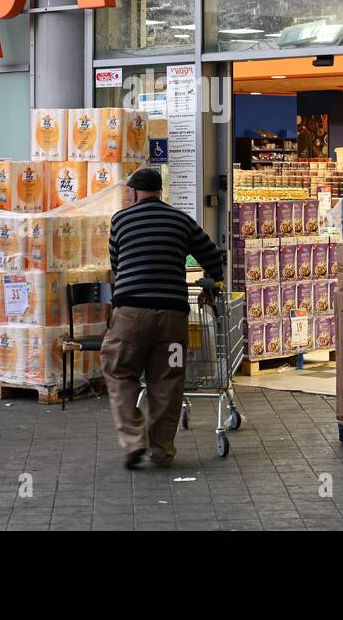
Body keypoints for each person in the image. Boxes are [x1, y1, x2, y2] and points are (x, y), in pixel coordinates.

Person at [103, 167, 224, 469]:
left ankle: (133, 442)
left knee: (120, 372)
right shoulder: (181, 220)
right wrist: (213, 279)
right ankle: (162, 451)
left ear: (132, 193)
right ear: (160, 192)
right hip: (172, 318)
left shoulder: (121, 220)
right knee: (168, 381)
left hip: (131, 316)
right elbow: (212, 254)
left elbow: (116, 265)